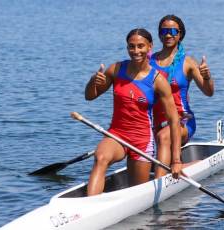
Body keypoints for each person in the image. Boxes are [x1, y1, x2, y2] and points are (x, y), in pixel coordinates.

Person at [84, 28, 182, 196]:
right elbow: (89, 96)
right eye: (131, 46)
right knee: (101, 157)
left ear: (150, 46)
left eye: (140, 46)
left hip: (142, 141)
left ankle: (188, 165)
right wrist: (92, 81)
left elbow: (174, 120)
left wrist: (176, 160)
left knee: (136, 193)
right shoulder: (115, 69)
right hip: (117, 135)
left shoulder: (158, 80)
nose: (136, 51)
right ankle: (87, 208)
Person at [150, 15, 214, 178]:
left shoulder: (188, 63)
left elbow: (209, 92)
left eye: (173, 31)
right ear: (159, 34)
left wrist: (207, 76)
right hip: (155, 121)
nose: (168, 35)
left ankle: (158, 183)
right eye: (164, 31)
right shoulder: (148, 61)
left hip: (182, 121)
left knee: (164, 136)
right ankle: (191, 165)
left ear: (180, 35)